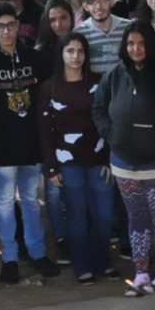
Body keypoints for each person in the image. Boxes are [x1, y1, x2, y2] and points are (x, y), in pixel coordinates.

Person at [95, 22, 155, 295]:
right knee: (136, 218)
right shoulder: (113, 76)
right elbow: (98, 108)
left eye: (141, 43)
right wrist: (112, 134)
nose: (136, 49)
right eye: (130, 44)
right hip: (124, 164)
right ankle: (140, 271)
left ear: (150, 44)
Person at [0, 1, 56, 284]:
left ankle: (37, 251)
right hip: (2, 150)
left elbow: (46, 102)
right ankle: (9, 257)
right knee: (5, 203)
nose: (6, 32)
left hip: (33, 145)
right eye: (0, 26)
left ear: (19, 26)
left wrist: (43, 140)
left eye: (11, 25)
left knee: (32, 200)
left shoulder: (35, 59)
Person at [40, 31, 114, 285]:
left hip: (98, 159)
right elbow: (44, 132)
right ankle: (82, 266)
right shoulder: (49, 88)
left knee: (104, 216)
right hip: (67, 163)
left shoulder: (100, 83)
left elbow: (108, 122)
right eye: (70, 51)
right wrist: (51, 168)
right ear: (61, 54)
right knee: (77, 216)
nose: (76, 56)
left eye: (80, 51)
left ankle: (102, 263)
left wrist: (108, 159)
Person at [77, 0, 126, 77]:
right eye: (92, 2)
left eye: (103, 0)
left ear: (112, 1)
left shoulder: (127, 28)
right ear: (85, 6)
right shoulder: (79, 33)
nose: (98, 6)